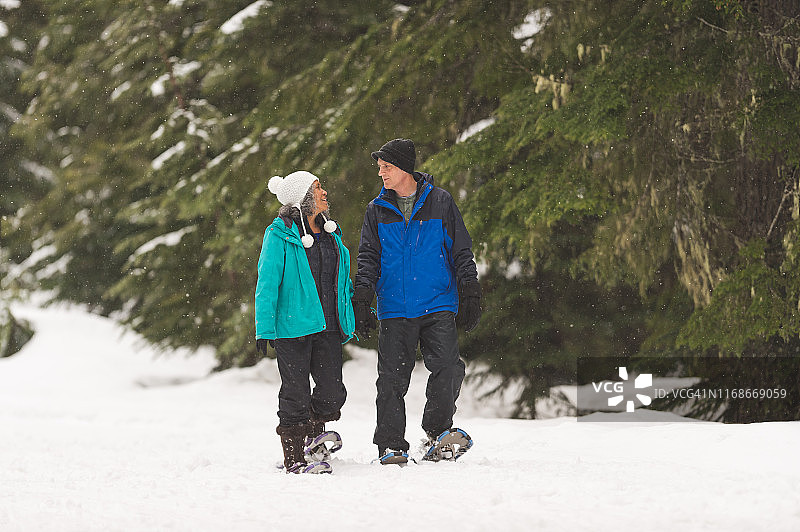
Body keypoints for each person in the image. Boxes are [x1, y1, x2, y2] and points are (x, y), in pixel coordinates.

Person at [353, 138, 482, 465]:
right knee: (392, 379)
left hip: (438, 302)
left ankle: (438, 432)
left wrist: (470, 288)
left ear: (404, 168)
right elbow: (368, 257)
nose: (381, 172)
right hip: (395, 306)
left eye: (387, 167)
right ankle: (391, 445)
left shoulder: (440, 202)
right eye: (379, 167)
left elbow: (460, 250)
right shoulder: (376, 210)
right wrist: (362, 297)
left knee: (448, 368)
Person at [255, 170, 356, 474]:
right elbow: (267, 282)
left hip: (328, 326)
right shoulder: (280, 234)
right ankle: (295, 455)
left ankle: (314, 435)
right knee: (295, 392)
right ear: (304, 198)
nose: (324, 192)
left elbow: (341, 282)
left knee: (332, 391)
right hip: (292, 327)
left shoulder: (330, 235)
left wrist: (354, 311)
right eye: (318, 187)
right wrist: (264, 328)